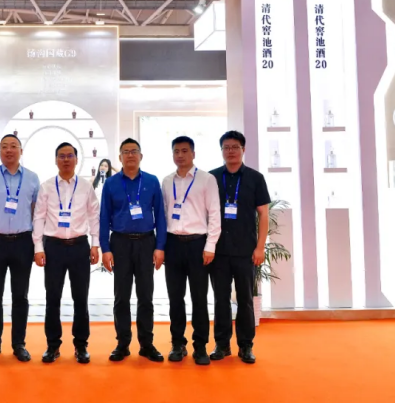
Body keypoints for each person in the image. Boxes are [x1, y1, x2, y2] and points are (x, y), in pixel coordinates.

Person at [100, 138, 167, 363]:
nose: (130, 155)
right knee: (121, 297)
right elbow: (103, 217)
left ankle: (147, 344)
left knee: (145, 296)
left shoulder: (151, 181)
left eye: (134, 151)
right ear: (119, 157)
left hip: (147, 242)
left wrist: (160, 247)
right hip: (120, 243)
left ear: (141, 156)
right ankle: (122, 343)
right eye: (126, 152)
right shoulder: (111, 183)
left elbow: (160, 216)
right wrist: (105, 249)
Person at [33, 142, 100, 364]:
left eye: (70, 155)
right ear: (55, 160)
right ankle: (53, 345)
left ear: (76, 159)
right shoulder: (46, 187)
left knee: (81, 298)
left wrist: (95, 244)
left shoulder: (85, 186)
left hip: (79, 246)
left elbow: (94, 215)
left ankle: (81, 345)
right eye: (61, 156)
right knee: (53, 298)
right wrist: (38, 247)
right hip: (53, 247)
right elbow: (39, 217)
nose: (66, 160)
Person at [0, 134, 40, 362]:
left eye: (13, 146)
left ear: (21, 150)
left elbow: (37, 214)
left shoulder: (32, 178)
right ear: (0, 151)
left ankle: (19, 344)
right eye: (4, 146)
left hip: (23, 242)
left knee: (20, 296)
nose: (9, 150)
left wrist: (37, 244)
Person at [209, 131, 271, 365]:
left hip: (246, 250)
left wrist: (260, 247)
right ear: (221, 151)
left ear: (243, 149)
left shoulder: (255, 178)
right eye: (226, 147)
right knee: (220, 299)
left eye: (235, 147)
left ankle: (246, 345)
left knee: (245, 299)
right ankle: (222, 344)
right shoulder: (212, 178)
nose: (231, 151)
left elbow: (263, 214)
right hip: (219, 251)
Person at [161, 136, 221, 366]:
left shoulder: (206, 179)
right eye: (176, 151)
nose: (180, 155)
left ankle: (200, 346)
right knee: (175, 298)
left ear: (193, 154)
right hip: (173, 244)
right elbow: (163, 215)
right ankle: (178, 343)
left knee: (199, 298)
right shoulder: (167, 181)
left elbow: (214, 214)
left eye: (185, 151)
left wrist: (210, 246)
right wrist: (161, 247)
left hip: (198, 245)